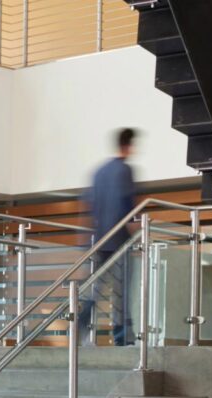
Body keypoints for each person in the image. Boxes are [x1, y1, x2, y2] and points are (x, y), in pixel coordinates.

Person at [80, 127, 137, 346]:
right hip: (119, 240)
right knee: (121, 292)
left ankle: (82, 327)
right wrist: (134, 226)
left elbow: (90, 204)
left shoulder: (99, 171)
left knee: (96, 289)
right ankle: (122, 339)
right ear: (128, 146)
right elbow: (126, 204)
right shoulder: (124, 170)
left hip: (99, 239)